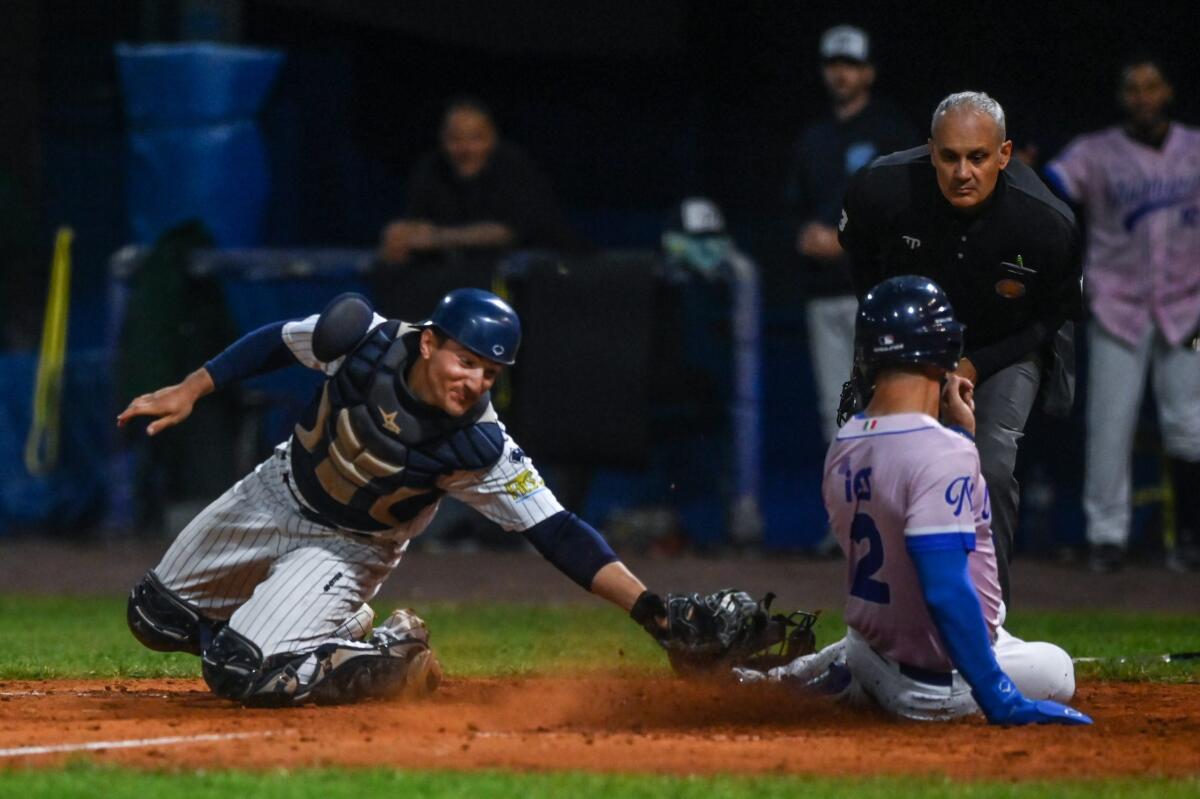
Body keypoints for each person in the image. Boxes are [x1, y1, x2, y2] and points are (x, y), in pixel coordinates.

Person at [118, 288, 675, 706]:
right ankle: (321, 630)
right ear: (429, 342)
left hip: (348, 549)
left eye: (489, 372)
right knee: (154, 616)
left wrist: (651, 611)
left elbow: (557, 530)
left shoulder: (479, 445)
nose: (476, 381)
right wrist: (193, 387)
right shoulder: (363, 339)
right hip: (273, 493)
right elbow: (278, 340)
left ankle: (393, 656)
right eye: (466, 361)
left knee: (240, 671)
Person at [736, 276, 1090, 726]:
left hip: (872, 645)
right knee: (1056, 667)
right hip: (930, 685)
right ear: (945, 354)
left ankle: (823, 673)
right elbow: (943, 589)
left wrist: (960, 437)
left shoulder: (845, 443)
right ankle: (851, 676)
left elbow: (900, 534)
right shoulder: (940, 452)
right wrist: (999, 697)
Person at [837, 91, 1082, 604]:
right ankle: (891, 616)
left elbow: (1050, 317)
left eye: (977, 157)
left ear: (1005, 154)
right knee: (882, 466)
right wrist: (889, 349)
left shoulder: (1047, 224)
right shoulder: (881, 189)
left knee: (987, 465)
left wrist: (974, 362)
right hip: (912, 346)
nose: (962, 171)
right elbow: (861, 262)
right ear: (930, 151)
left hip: (1006, 346)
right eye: (948, 156)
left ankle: (989, 623)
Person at [1045, 58, 1200, 574]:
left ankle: (1192, 539)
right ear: (1122, 96)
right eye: (1132, 88)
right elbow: (1051, 186)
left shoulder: (1195, 149)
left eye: (1151, 86)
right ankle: (1106, 537)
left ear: (1168, 91)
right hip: (1118, 307)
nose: (1142, 96)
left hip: (1190, 307)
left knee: (1191, 425)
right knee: (1110, 426)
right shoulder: (1097, 151)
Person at [786, 24, 917, 441]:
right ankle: (850, 505)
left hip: (879, 294)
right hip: (825, 293)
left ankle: (891, 504)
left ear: (869, 72)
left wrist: (844, 242)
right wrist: (804, 236)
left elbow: (909, 215)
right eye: (834, 64)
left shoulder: (893, 134)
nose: (841, 73)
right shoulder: (813, 139)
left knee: (891, 406)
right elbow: (795, 208)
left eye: (852, 64)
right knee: (837, 411)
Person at [374, 98, 586, 319]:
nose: (465, 149)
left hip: (544, 282)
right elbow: (418, 225)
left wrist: (436, 238)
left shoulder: (513, 166)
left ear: (492, 136)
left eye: (476, 139)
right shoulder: (431, 169)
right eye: (455, 139)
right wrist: (400, 235)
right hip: (456, 282)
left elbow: (507, 232)